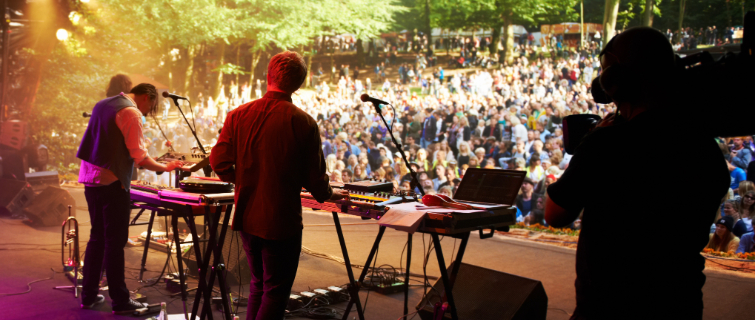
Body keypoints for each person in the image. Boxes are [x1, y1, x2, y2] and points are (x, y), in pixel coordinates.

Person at [544, 28, 736, 319]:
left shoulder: (607, 144)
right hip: (679, 302)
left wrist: (588, 146)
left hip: (610, 305)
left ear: (615, 82)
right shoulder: (703, 146)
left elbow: (555, 214)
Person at [210, 51, 348, 320]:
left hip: (247, 215)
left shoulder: (238, 114)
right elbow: (316, 182)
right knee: (275, 291)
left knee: (258, 285)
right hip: (281, 221)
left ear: (268, 77)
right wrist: (333, 194)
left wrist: (247, 179)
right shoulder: (303, 122)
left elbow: (219, 162)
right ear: (300, 83)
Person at [77, 83, 184, 312]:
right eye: (151, 107)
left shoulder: (104, 104)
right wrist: (166, 168)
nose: (147, 112)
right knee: (115, 242)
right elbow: (139, 157)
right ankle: (121, 300)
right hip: (111, 181)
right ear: (146, 97)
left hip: (90, 177)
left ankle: (88, 295)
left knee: (97, 238)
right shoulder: (131, 111)